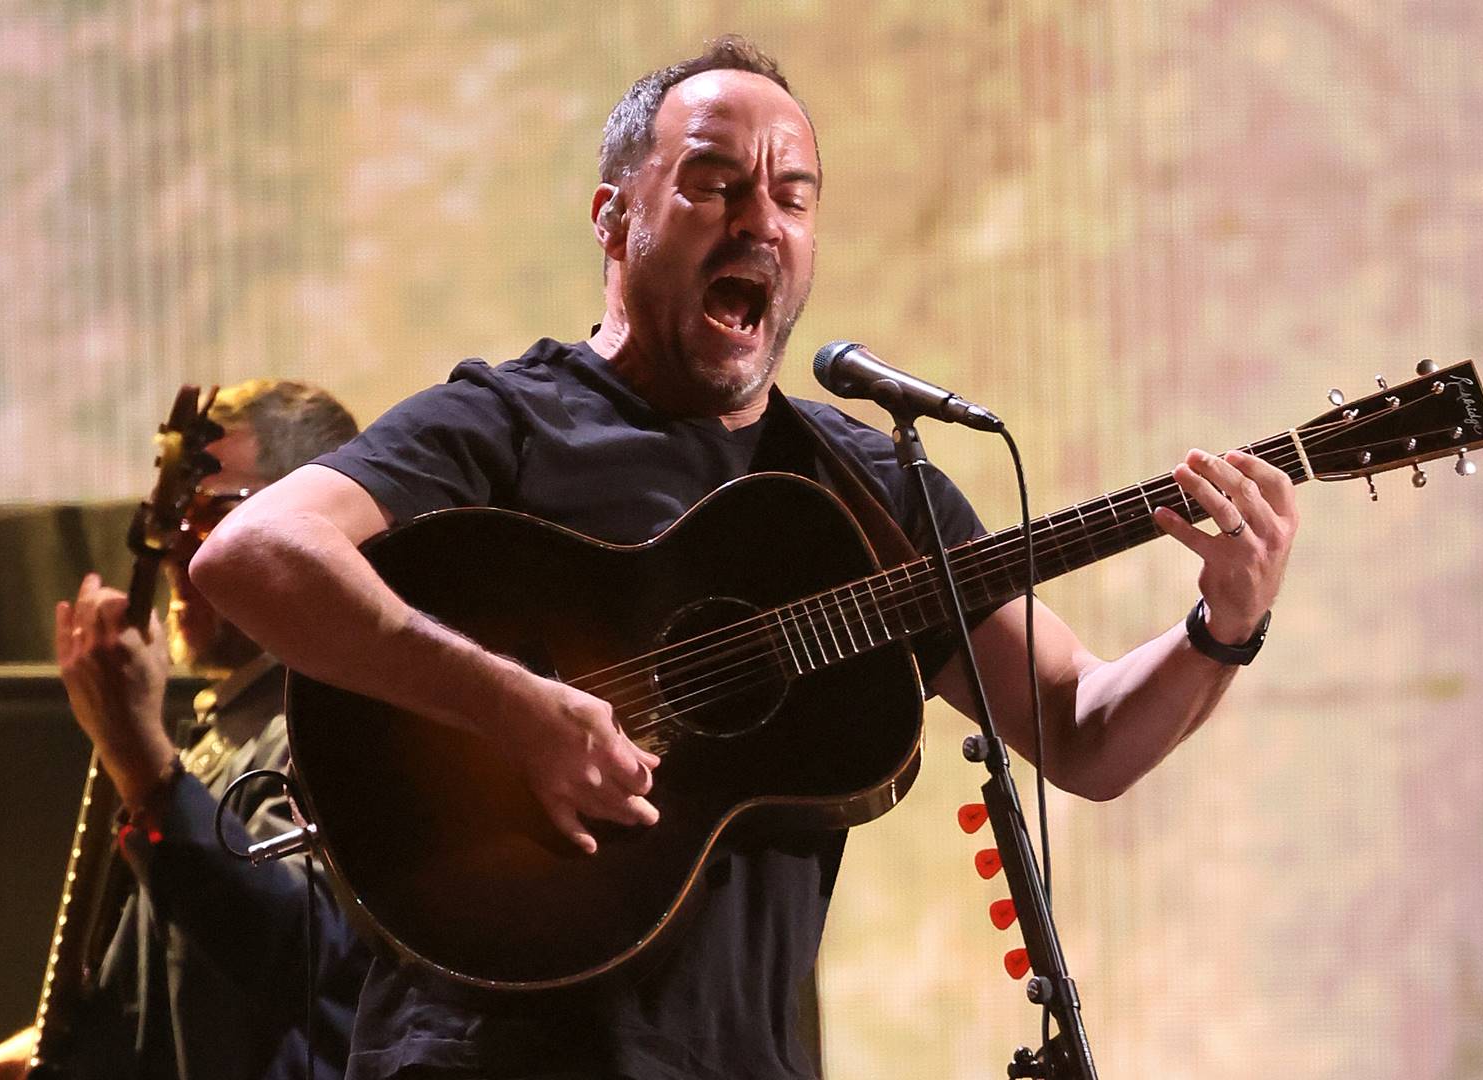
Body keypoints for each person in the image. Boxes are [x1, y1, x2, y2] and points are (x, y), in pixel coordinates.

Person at [189, 36, 1299, 1080]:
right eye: (716, 184)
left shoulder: (874, 488)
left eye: (793, 194)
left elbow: (1085, 729)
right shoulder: (507, 419)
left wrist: (1223, 629)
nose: (760, 219)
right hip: (475, 1050)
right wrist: (510, 706)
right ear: (615, 219)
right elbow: (255, 553)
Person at [0, 379, 371, 1080]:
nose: (175, 546)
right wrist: (60, 1050)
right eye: (170, 515)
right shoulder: (227, 727)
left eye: (211, 515)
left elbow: (295, 952)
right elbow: (182, 984)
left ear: (310, 530)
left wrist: (143, 761)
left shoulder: (344, 715)